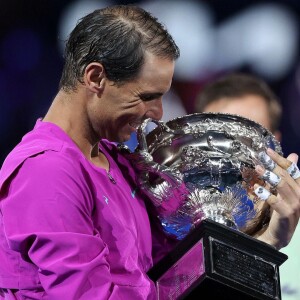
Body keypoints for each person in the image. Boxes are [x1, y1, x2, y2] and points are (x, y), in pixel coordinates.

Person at [0, 6, 299, 299]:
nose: (157, 113)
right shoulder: (46, 171)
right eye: (146, 97)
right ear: (95, 78)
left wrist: (265, 241)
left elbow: (181, 277)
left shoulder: (118, 162)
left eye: (162, 96)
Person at [195, 72, 300, 300]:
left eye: (251, 140)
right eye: (224, 140)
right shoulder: (177, 224)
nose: (239, 157)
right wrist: (266, 245)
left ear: (277, 144)